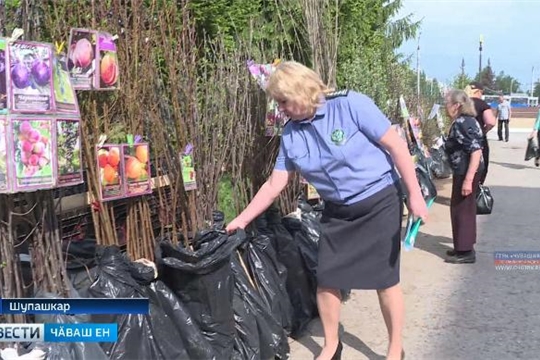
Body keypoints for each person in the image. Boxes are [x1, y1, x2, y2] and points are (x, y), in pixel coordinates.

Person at [225, 61, 428, 360]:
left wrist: (415, 195)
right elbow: (273, 184)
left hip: (378, 201)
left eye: (283, 101)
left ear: (300, 90)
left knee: (384, 280)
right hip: (337, 211)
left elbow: (397, 147)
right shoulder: (291, 135)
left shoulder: (350, 105)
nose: (280, 109)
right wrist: (240, 221)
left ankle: (395, 348)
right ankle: (332, 345)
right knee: (328, 278)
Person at [444, 90, 484, 264]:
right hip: (463, 170)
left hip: (467, 171)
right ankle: (461, 245)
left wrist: (468, 180)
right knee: (460, 209)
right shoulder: (466, 121)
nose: (446, 107)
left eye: (447, 103)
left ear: (457, 105)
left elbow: (475, 151)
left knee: (463, 210)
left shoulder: (463, 122)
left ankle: (466, 251)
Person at [465, 82, 496, 184]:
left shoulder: (462, 103)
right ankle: (477, 189)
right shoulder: (482, 104)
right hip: (478, 140)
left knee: (464, 166)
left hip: (462, 139)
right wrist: (484, 130)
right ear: (478, 92)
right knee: (481, 165)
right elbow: (491, 122)